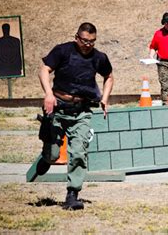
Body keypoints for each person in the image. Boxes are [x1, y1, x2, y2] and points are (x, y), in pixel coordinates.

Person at [37, 22, 114, 210]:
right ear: (77, 37)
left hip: (82, 111)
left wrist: (104, 98)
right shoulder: (63, 51)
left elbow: (109, 76)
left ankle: (73, 194)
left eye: (92, 42)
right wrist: (48, 94)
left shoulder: (99, 57)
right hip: (58, 107)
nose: (88, 45)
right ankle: (47, 156)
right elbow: (44, 70)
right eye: (85, 41)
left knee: (78, 151)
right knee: (54, 154)